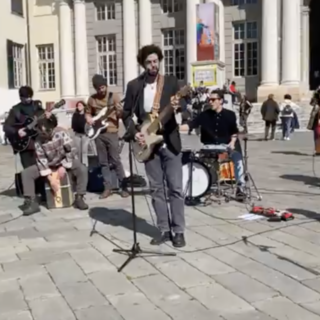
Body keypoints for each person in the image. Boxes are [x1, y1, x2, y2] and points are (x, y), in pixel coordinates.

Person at [122, 44, 186, 248]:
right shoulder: (134, 86)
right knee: (156, 189)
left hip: (170, 141)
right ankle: (164, 230)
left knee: (175, 188)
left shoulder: (171, 82)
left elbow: (183, 105)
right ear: (143, 63)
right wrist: (135, 132)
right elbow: (126, 113)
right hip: (147, 144)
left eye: (156, 61)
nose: (153, 65)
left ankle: (178, 231)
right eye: (149, 61)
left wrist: (179, 106)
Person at [180, 89, 246, 199]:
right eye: (209, 99)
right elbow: (191, 125)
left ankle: (240, 188)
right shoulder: (204, 115)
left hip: (225, 145)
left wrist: (233, 142)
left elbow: (234, 132)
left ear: (221, 101)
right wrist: (175, 128)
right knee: (192, 158)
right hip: (208, 146)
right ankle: (199, 185)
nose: (210, 102)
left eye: (213, 99)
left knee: (238, 158)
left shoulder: (230, 115)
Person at [20, 115, 89, 215]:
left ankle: (79, 197)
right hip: (49, 165)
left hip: (64, 161)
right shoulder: (38, 141)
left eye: (46, 131)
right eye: (41, 132)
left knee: (82, 168)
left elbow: (71, 150)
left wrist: (63, 166)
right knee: (26, 173)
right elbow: (41, 160)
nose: (44, 134)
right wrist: (50, 178)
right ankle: (31, 201)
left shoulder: (62, 133)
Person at [85, 74, 129, 199]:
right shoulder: (92, 99)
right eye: (99, 88)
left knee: (115, 160)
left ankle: (124, 186)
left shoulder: (113, 97)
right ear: (95, 88)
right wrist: (89, 119)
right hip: (98, 133)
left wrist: (119, 110)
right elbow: (88, 113)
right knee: (103, 162)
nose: (101, 90)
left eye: (103, 87)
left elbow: (121, 114)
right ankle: (107, 187)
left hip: (112, 131)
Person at [4, 86, 51, 168]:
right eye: (26, 97)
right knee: (29, 171)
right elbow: (6, 127)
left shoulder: (37, 107)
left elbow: (50, 124)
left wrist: (50, 118)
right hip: (25, 145)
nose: (28, 99)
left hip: (40, 143)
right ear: (21, 97)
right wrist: (17, 131)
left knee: (43, 169)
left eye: (30, 96)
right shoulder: (16, 110)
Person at [72, 101, 90, 166]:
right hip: (77, 135)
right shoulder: (75, 115)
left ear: (83, 106)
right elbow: (73, 125)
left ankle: (85, 164)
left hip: (85, 135)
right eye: (78, 105)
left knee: (84, 151)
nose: (79, 106)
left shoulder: (86, 115)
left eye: (80, 105)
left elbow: (89, 124)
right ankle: (79, 165)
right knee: (78, 151)